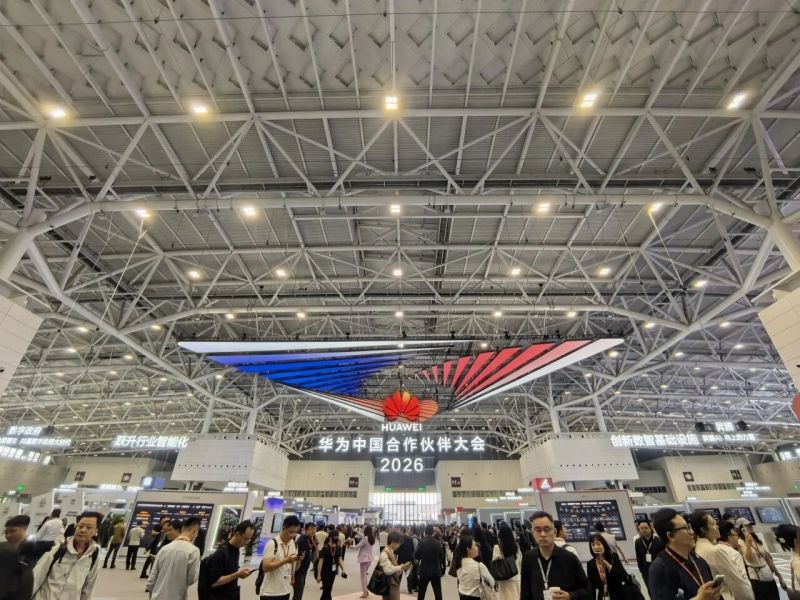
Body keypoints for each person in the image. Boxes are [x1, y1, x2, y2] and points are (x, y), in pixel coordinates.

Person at [647, 508, 720, 600]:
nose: (692, 532)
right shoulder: (660, 568)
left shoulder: (699, 560)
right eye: (685, 528)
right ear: (670, 535)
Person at [31, 510, 103, 600]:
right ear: (76, 526)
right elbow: (36, 578)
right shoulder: (57, 550)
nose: (83, 530)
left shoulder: (93, 556)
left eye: (89, 527)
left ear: (96, 531)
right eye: (81, 526)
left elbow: (88, 589)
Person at [520, 511, 591, 600]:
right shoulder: (528, 558)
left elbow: (587, 591)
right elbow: (525, 593)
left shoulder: (569, 558)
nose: (542, 534)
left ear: (554, 532)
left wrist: (570, 596)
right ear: (533, 533)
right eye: (538, 530)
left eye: (546, 529)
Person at [146, 516, 200, 599]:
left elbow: (153, 575)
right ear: (194, 530)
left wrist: (151, 592)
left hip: (158, 596)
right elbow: (192, 578)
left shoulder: (165, 548)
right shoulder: (193, 551)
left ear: (182, 529)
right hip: (177, 596)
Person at [207, 519, 254, 600]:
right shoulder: (222, 552)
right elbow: (214, 582)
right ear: (237, 534)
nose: (246, 542)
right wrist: (237, 574)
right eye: (245, 539)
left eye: (248, 540)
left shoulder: (236, 549)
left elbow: (230, 574)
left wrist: (239, 574)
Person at [709, 521, 755, 600]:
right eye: (735, 535)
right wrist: (750, 597)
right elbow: (741, 581)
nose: (737, 538)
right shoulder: (733, 553)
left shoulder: (714, 550)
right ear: (729, 537)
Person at [260, 515, 303, 600]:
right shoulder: (272, 544)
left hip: (286, 590)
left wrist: (299, 560)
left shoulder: (294, 544)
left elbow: (294, 568)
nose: (293, 535)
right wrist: (285, 561)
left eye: (296, 532)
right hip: (270, 593)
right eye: (291, 532)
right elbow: (265, 567)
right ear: (284, 528)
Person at [738, 518, 781, 599]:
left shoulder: (756, 539)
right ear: (742, 529)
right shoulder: (740, 541)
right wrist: (747, 543)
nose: (751, 527)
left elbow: (767, 558)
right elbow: (748, 558)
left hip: (769, 576)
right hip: (757, 578)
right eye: (747, 526)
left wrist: (779, 576)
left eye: (751, 525)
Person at [450, 534, 495, 600]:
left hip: (462, 596)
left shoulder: (458, 563)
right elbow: (492, 582)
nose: (477, 547)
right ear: (468, 549)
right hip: (476, 596)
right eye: (474, 545)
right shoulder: (479, 566)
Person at [587, 533, 628, 600]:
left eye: (598, 544)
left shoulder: (613, 557)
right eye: (593, 545)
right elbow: (592, 586)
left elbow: (623, 577)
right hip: (602, 596)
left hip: (617, 595)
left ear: (603, 544)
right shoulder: (590, 564)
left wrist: (608, 566)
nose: (596, 547)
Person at [492, 524, 521, 600]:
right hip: (516, 576)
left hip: (504, 579)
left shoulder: (497, 547)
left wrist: (495, 581)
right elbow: (520, 562)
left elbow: (495, 565)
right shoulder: (516, 547)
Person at [415, 524, 445, 600]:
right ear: (433, 532)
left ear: (425, 532)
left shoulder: (421, 542)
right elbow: (441, 556)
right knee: (438, 593)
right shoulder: (437, 542)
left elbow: (416, 555)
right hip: (435, 570)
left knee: (421, 593)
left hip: (424, 570)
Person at [380, 531, 413, 600]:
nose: (399, 546)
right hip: (389, 586)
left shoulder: (391, 552)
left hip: (392, 584)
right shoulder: (385, 553)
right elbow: (387, 570)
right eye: (398, 543)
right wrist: (401, 567)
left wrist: (403, 567)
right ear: (393, 542)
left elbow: (394, 571)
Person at [634, 519, 664, 588]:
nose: (644, 530)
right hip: (646, 572)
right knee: (650, 589)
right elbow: (638, 557)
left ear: (650, 528)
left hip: (659, 570)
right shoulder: (638, 542)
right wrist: (641, 570)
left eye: (646, 528)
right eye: (641, 528)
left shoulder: (659, 541)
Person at [316, 533, 346, 600]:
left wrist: (343, 569)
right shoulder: (325, 548)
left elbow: (340, 559)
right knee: (327, 590)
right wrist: (318, 575)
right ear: (330, 538)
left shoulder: (338, 548)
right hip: (325, 571)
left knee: (328, 590)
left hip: (333, 571)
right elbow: (320, 562)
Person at [293, 522, 317, 600]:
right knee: (298, 594)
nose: (314, 531)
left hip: (303, 570)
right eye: (311, 529)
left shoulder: (309, 539)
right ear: (305, 530)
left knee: (299, 593)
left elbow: (315, 553)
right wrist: (293, 575)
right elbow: (298, 559)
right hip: (299, 572)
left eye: (315, 529)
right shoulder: (302, 540)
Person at [354, 525, 375, 599]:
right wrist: (357, 532)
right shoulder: (371, 537)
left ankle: (365, 592)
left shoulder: (365, 538)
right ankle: (366, 591)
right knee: (364, 575)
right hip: (369, 558)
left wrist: (349, 545)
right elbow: (362, 535)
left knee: (363, 576)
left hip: (364, 559)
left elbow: (357, 546)